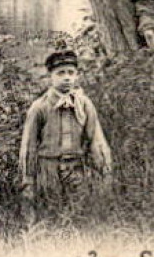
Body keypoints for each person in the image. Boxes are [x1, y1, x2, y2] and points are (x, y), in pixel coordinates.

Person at [19, 50, 112, 210]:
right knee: (51, 211)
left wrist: (105, 170)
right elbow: (29, 147)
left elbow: (96, 140)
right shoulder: (40, 107)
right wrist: (28, 180)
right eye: (60, 73)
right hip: (48, 169)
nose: (67, 77)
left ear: (77, 75)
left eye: (71, 72)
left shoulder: (83, 105)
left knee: (78, 211)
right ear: (51, 76)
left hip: (76, 169)